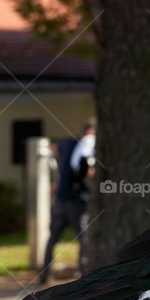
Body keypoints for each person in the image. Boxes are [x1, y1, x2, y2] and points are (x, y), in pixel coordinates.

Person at [38, 120, 96, 284]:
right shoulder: (89, 147)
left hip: (60, 200)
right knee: (84, 238)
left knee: (52, 238)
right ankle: (84, 275)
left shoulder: (68, 144)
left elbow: (53, 150)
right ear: (91, 133)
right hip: (77, 201)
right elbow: (88, 172)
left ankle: (44, 274)